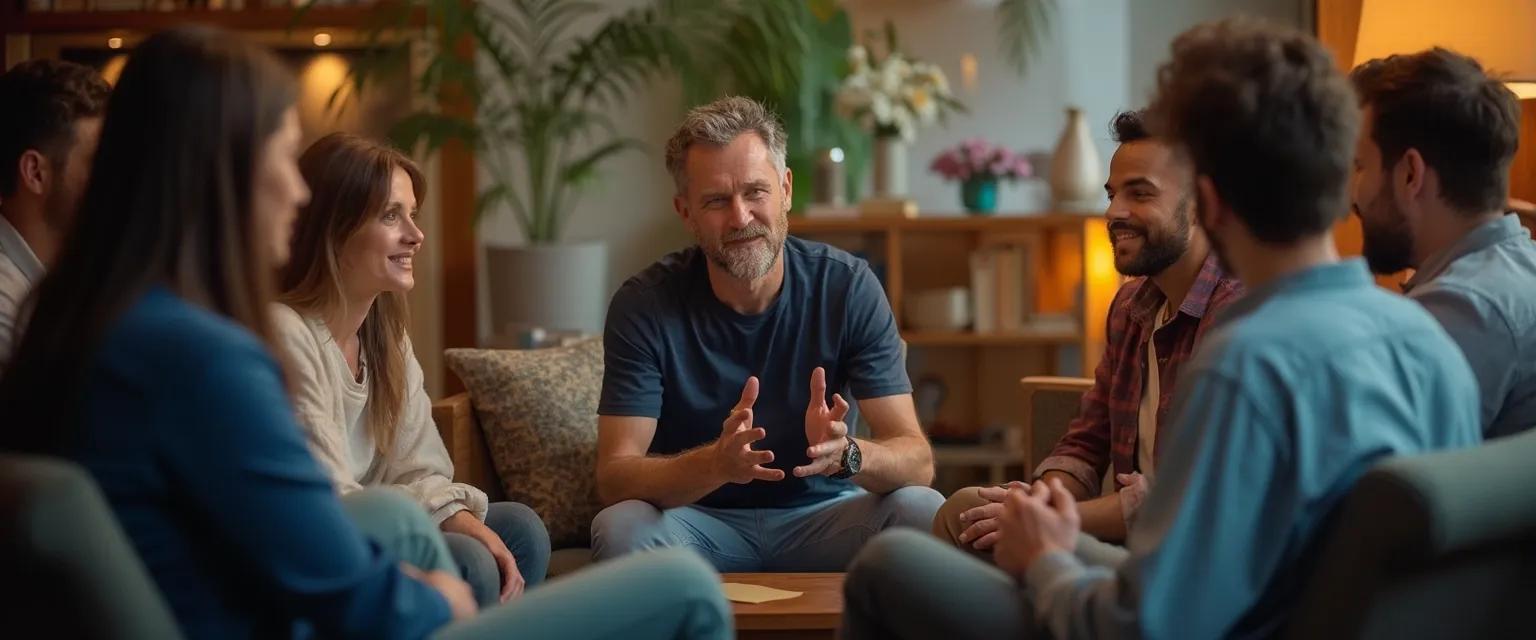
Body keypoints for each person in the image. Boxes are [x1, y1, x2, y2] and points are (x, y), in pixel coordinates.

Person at [0, 26, 729, 640]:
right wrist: (438, 603)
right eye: (282, 160)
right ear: (220, 175)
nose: (295, 189)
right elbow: (336, 583)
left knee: (399, 516)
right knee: (684, 583)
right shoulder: (203, 357)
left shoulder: (76, 322)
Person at [841, 19, 1481, 640]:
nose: (1116, 210)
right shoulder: (1425, 335)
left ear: (1208, 200)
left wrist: (1046, 562)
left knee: (884, 566)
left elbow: (1145, 624)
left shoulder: (1244, 364)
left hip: (1211, 622)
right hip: (1273, 607)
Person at [592, 96, 942, 571]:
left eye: (755, 192)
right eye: (716, 200)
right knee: (619, 527)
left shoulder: (848, 286)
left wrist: (851, 454)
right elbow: (614, 476)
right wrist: (714, 464)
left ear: (786, 189)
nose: (740, 217)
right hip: (696, 524)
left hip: (826, 517)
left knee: (923, 510)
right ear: (685, 211)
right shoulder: (644, 304)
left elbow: (916, 460)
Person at [932, 110, 1242, 551]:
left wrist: (1057, 518)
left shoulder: (1238, 313)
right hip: (1127, 550)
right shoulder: (1130, 308)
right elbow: (1086, 439)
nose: (1114, 212)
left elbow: (1194, 495)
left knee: (917, 548)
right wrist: (1043, 498)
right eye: (1112, 194)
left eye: (1140, 193)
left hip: (1188, 564)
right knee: (966, 508)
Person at [275, 132, 551, 607]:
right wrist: (447, 515)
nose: (416, 235)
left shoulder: (386, 337)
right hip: (332, 537)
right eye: (390, 215)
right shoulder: (287, 332)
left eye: (413, 214)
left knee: (522, 528)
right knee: (470, 557)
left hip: (391, 518)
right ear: (333, 230)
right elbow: (330, 497)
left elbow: (422, 466)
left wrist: (448, 510)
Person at [1349, 47, 1536, 438]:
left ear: (1410, 174)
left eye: (1360, 166)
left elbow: (1361, 478)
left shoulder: (1462, 309)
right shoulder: (1520, 270)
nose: (1354, 197)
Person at [0, 58, 109, 366]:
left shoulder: (69, 276)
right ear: (35, 173)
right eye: (97, 162)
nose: (115, 178)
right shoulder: (4, 301)